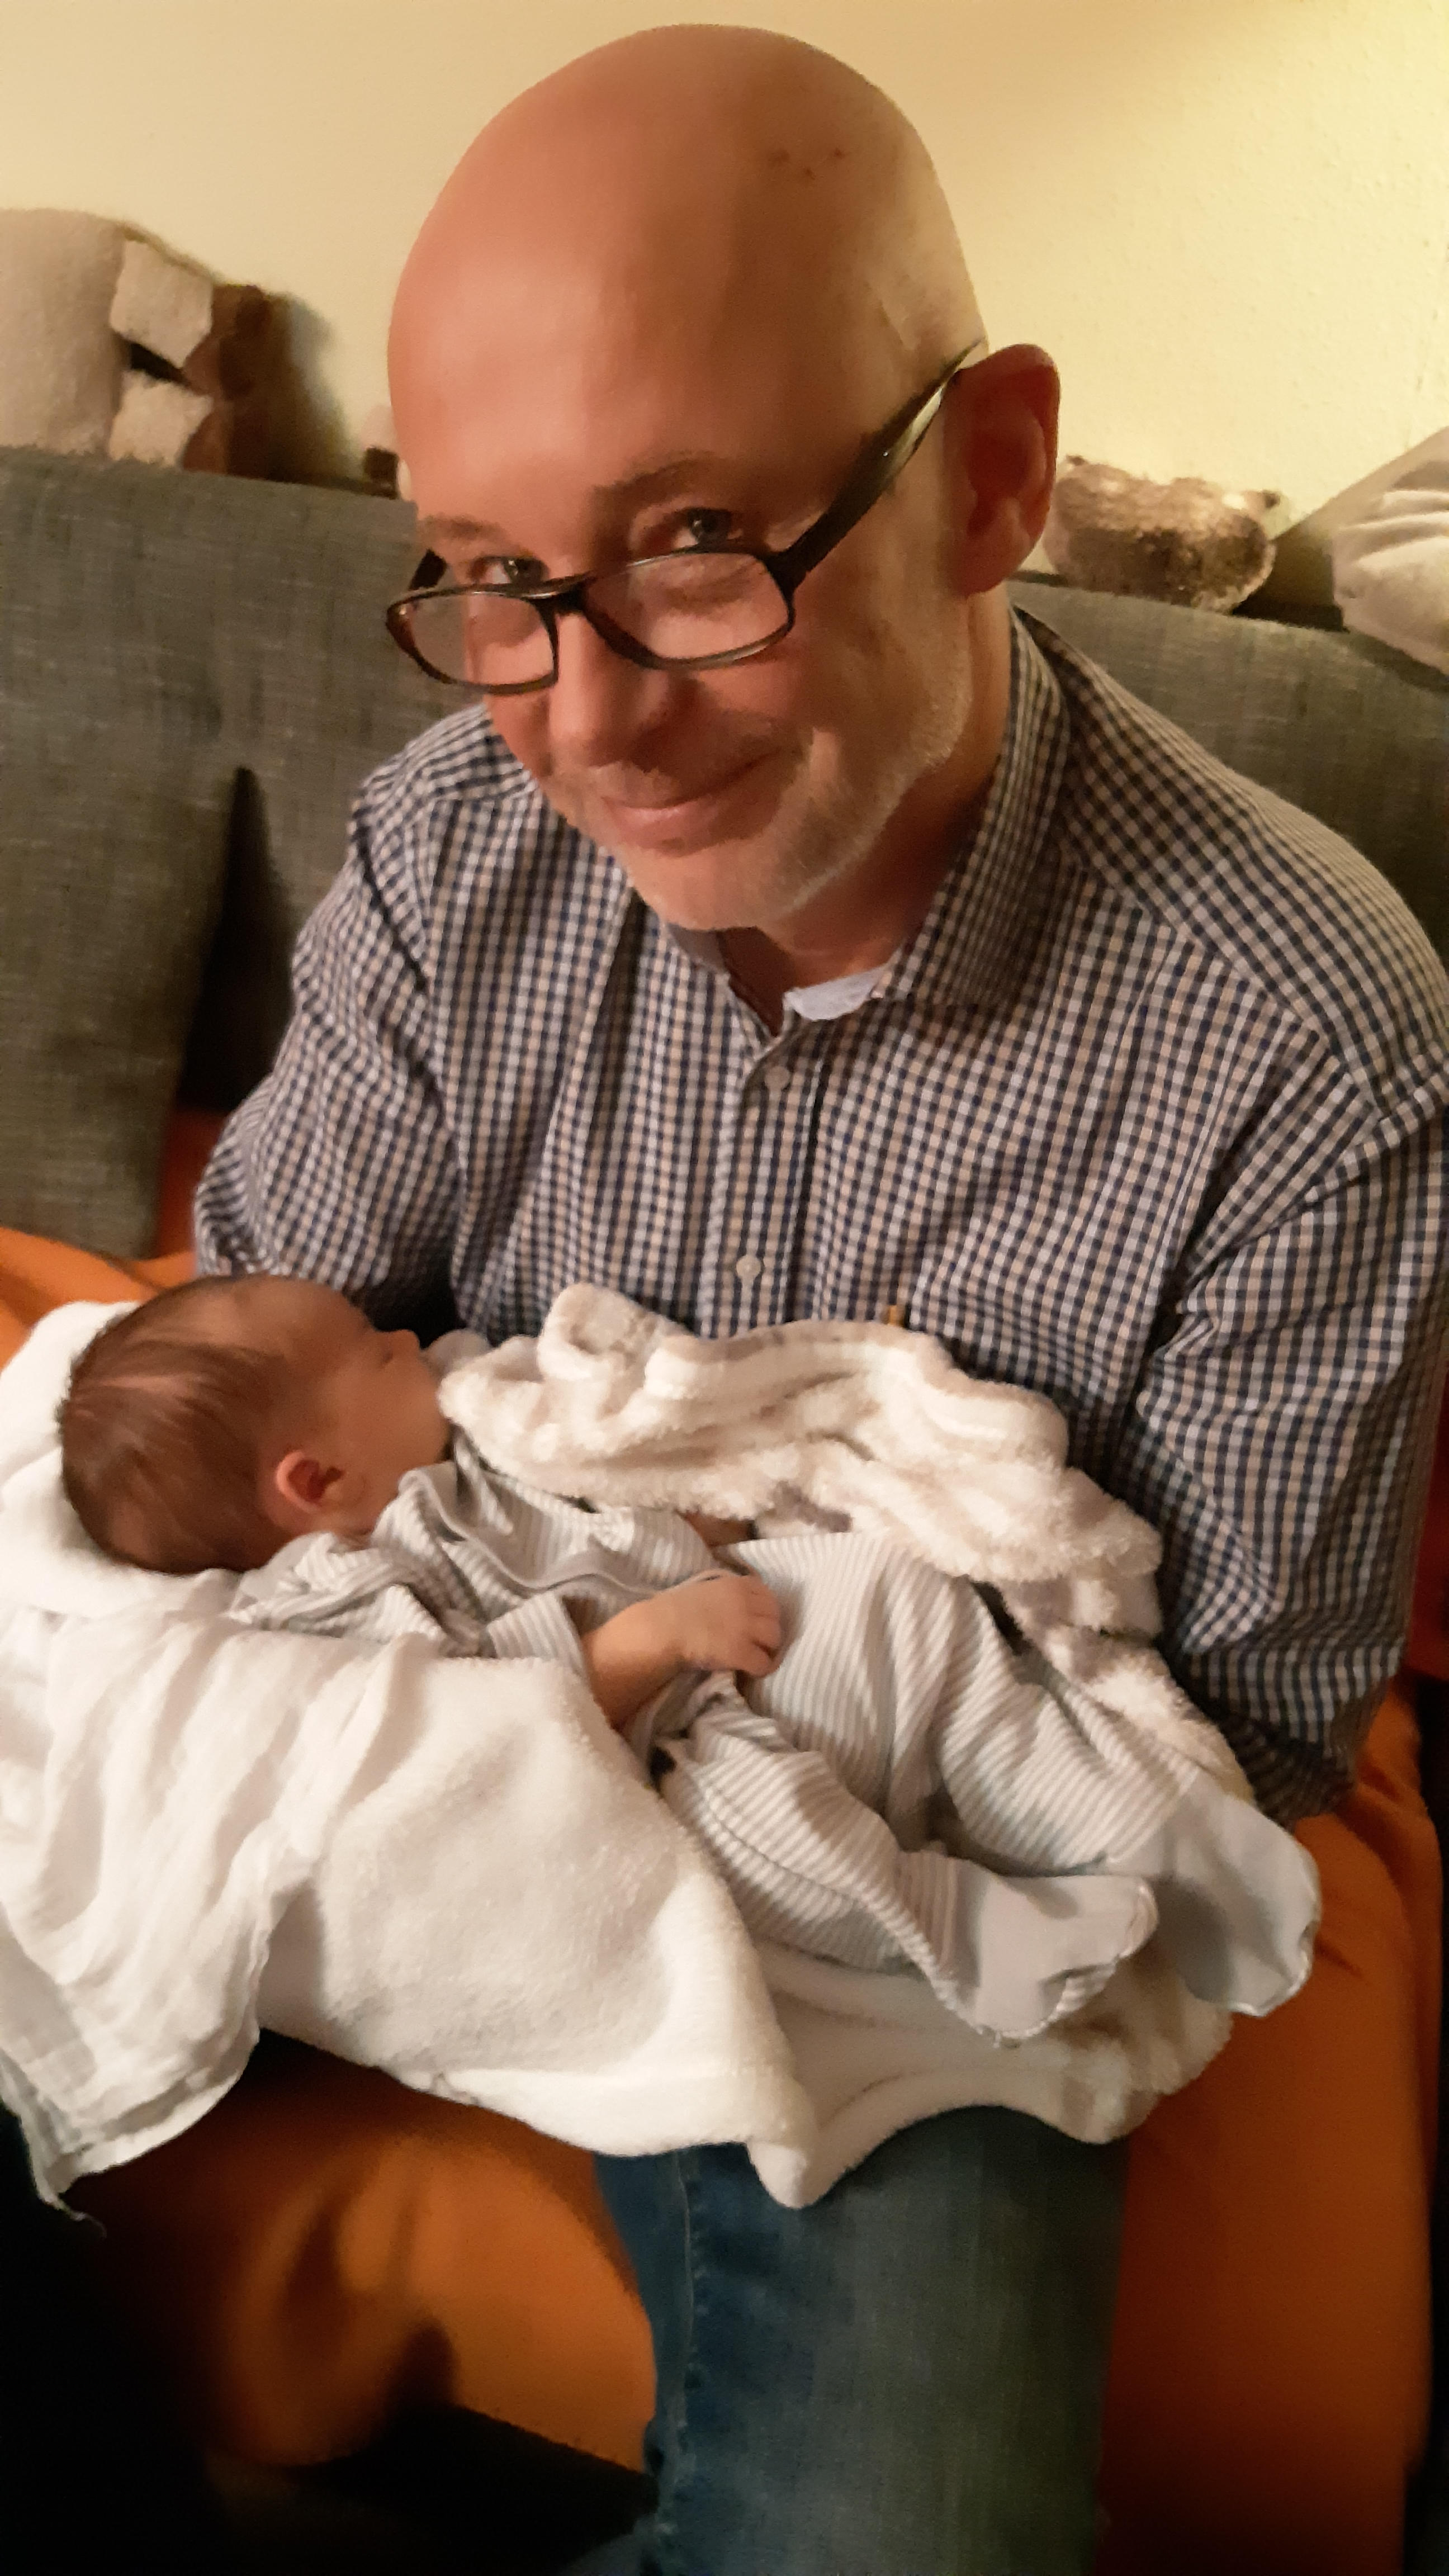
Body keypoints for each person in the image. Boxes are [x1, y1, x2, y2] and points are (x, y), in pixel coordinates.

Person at [188, 25, 1449, 2573]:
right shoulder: (450, 848)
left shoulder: (1316, 1044)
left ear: (992, 475)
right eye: (492, 576)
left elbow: (1226, 1737)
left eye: (691, 545)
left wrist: (745, 1734)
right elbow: (253, 1343)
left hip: (892, 1874)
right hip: (444, 1704)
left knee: (903, 2522)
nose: (589, 722)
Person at [58, 1271, 1314, 2053]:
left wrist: (691, 1513)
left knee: (899, 1601)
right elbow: (462, 1731)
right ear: (316, 1481)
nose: (407, 1332)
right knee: (763, 1840)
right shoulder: (336, 1599)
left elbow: (607, 1478)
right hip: (658, 1760)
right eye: (377, 1351)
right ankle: (952, 1928)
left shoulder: (475, 1444)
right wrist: (648, 1640)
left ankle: (1137, 1825)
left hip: (734, 1639)